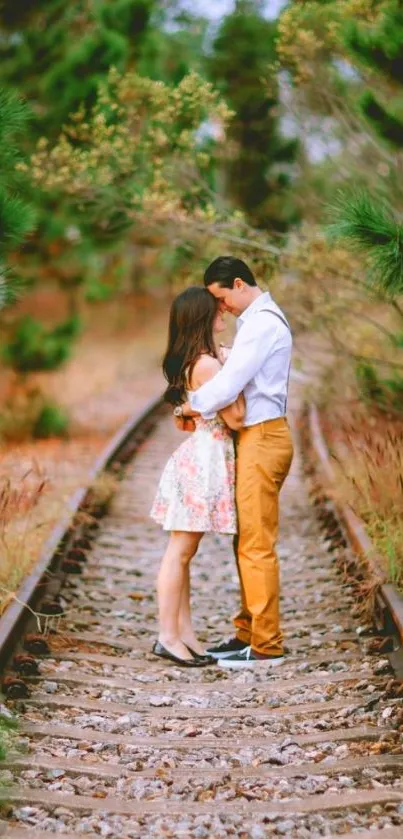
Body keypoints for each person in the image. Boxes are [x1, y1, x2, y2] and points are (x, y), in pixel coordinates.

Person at [177, 256, 293, 669]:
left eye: (220, 297)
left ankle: (266, 645)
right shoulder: (255, 323)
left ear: (239, 284)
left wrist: (190, 406)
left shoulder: (261, 324)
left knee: (256, 544)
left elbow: (228, 386)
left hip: (263, 437)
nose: (220, 308)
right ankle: (248, 631)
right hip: (256, 438)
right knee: (244, 539)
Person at [150, 286, 245, 668]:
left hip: (201, 455)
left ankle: (184, 634)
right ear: (203, 318)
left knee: (184, 553)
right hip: (203, 461)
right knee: (180, 552)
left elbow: (188, 419)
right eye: (216, 308)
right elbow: (235, 417)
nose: (223, 311)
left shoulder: (202, 359)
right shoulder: (207, 364)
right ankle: (167, 635)